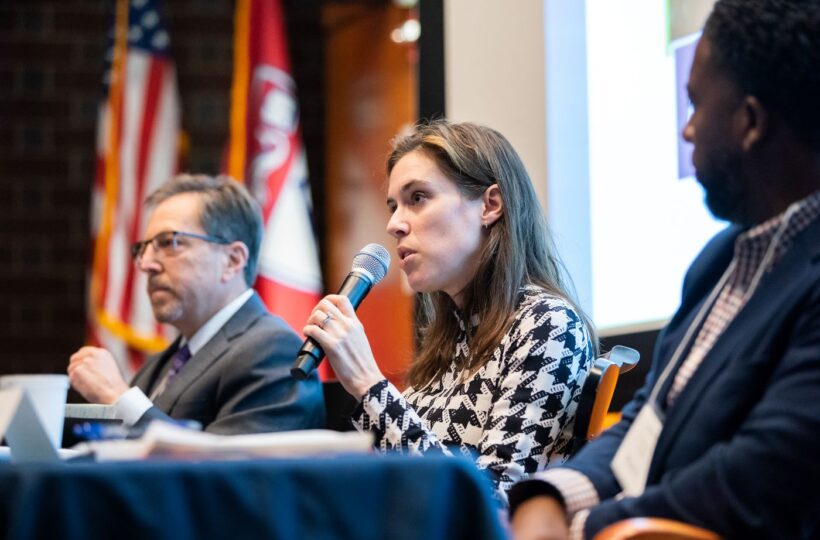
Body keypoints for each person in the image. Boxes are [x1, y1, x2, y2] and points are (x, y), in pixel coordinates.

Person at [508, 0, 820, 537]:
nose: (688, 131)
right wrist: (553, 497)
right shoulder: (718, 262)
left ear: (750, 122)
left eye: (696, 106)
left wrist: (584, 527)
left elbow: (760, 479)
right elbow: (648, 419)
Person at [303, 120, 596, 503]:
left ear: (490, 205)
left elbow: (495, 503)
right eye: (393, 206)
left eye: (418, 198)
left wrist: (369, 385)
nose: (394, 224)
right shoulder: (452, 337)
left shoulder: (549, 326)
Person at [68, 174, 324, 434]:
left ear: (233, 261)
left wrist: (118, 397)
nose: (146, 264)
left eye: (169, 243)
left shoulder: (272, 351)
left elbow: (230, 470)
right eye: (143, 249)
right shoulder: (160, 364)